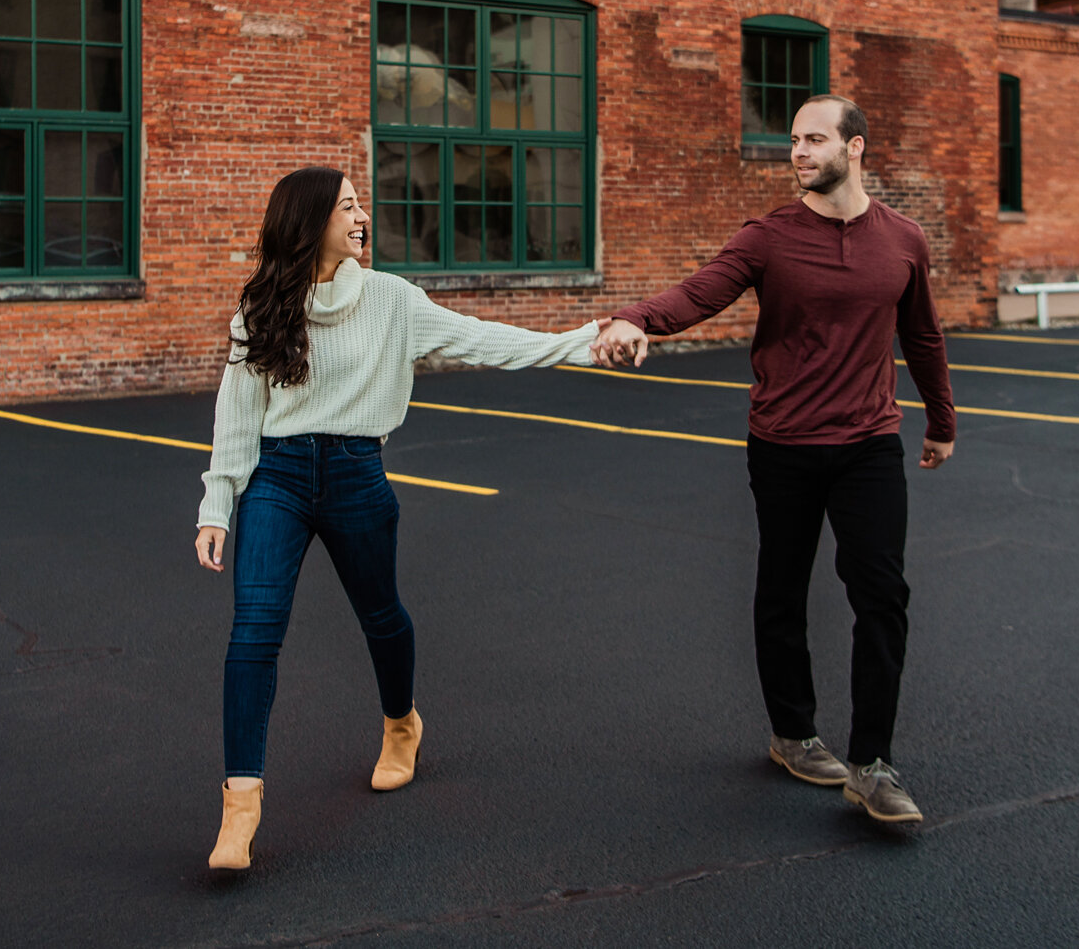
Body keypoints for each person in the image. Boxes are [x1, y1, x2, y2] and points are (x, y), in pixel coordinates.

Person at [194, 166, 605, 871]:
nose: (362, 216)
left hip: (356, 473)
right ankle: (240, 806)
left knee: (381, 614)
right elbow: (238, 415)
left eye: (360, 204)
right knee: (254, 628)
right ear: (310, 221)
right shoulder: (263, 307)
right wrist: (217, 504)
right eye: (348, 206)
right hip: (278, 477)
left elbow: (485, 338)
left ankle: (401, 723)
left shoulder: (391, 300)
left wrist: (584, 339)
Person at [592, 94, 955, 825]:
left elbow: (923, 336)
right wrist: (635, 317)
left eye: (814, 139)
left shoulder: (904, 239)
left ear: (855, 148)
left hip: (869, 443)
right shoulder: (769, 237)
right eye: (793, 139)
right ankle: (793, 732)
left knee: (882, 595)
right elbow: (700, 292)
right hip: (784, 444)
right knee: (783, 589)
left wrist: (941, 420)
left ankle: (874, 763)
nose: (797, 151)